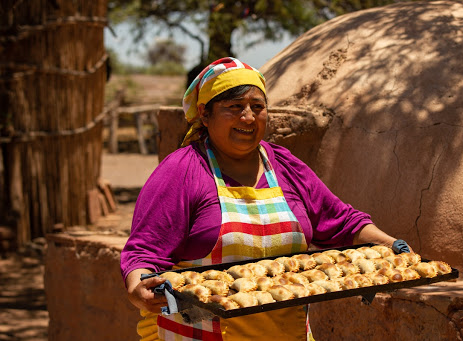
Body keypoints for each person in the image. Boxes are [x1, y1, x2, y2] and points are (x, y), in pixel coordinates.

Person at [121, 57, 410, 341]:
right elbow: (145, 251)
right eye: (234, 107)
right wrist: (138, 286)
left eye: (257, 107)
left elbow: (340, 221)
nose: (247, 117)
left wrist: (391, 246)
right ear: (205, 114)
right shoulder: (183, 171)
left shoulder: (284, 166)